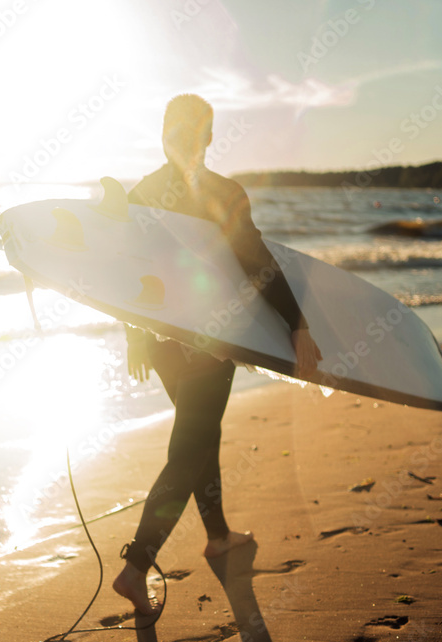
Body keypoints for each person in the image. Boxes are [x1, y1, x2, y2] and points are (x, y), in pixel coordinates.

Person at [112, 94, 322, 615]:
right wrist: (296, 323)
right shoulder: (222, 193)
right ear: (206, 137)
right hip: (209, 337)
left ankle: (219, 535)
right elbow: (256, 263)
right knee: (190, 447)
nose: (186, 140)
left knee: (199, 435)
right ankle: (136, 567)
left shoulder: (143, 192)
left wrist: (135, 337)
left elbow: (126, 273)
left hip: (163, 339)